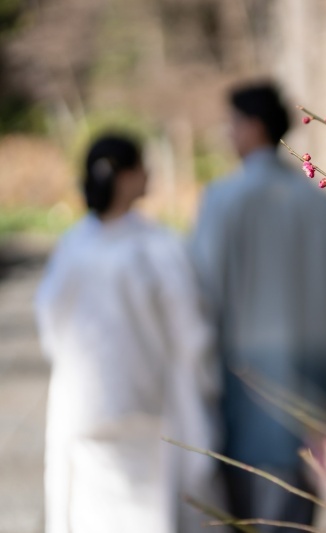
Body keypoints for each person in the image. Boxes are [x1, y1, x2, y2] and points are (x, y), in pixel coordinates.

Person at [36, 134, 221, 533]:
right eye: (141, 166)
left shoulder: (73, 246)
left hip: (86, 407)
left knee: (92, 516)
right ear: (125, 177)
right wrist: (203, 388)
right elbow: (191, 335)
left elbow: (51, 327)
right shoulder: (158, 246)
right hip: (152, 407)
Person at [189, 83, 326, 529]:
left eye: (233, 124)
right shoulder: (319, 202)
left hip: (241, 379)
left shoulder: (222, 200)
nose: (229, 134)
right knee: (297, 505)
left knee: (245, 505)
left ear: (254, 127)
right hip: (312, 376)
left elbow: (200, 295)